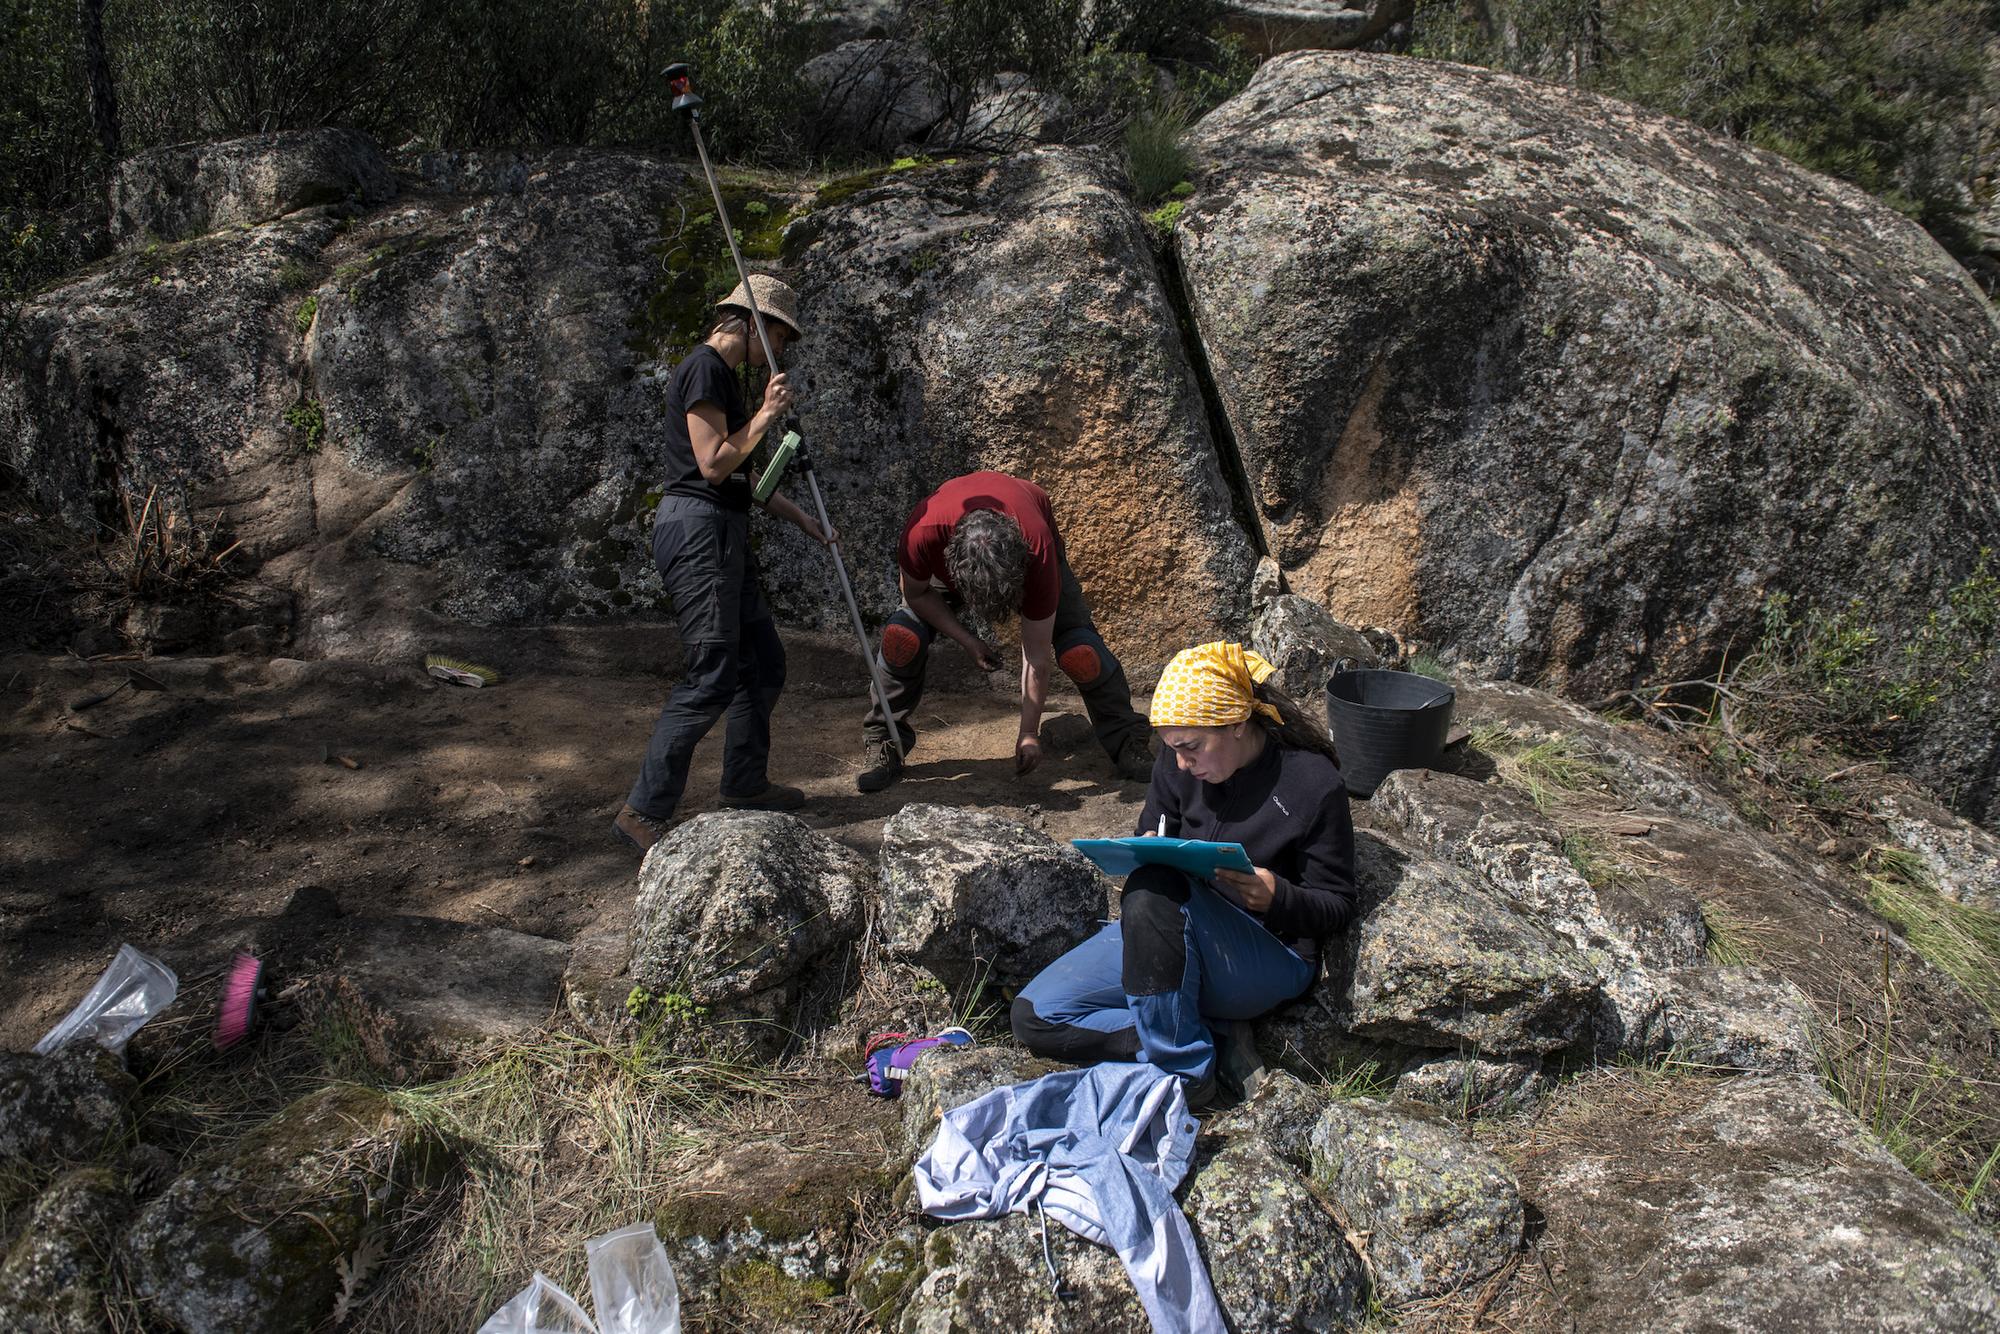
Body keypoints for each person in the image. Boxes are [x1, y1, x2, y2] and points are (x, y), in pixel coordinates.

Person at [1010, 642, 1356, 1104]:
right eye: (1171, 748)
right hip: (1169, 936)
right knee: (1036, 1015)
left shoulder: (1311, 783)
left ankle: (1187, 1074)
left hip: (1266, 952)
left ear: (1236, 723)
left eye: (1190, 747)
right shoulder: (1177, 770)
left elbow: (1336, 904)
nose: (1180, 764)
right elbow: (1149, 841)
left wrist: (1277, 897)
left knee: (1152, 892)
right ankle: (1207, 1035)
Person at [614, 275, 836, 851]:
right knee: (712, 672)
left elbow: (741, 477)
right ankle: (642, 811)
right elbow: (711, 465)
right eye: (782, 340)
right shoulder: (706, 368)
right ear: (758, 326)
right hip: (698, 530)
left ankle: (744, 783)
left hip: (725, 529)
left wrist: (802, 519)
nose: (782, 354)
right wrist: (765, 416)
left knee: (762, 662)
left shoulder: (728, 381)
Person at [857, 470, 1154, 792]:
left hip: (1025, 543)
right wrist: (969, 641)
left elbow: (1036, 657)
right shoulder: (922, 532)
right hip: (956, 553)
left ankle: (1128, 741)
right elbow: (916, 594)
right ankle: (883, 741)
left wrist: (1029, 733)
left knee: (1080, 653)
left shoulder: (1036, 549)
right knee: (903, 638)